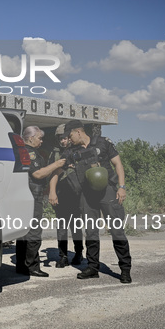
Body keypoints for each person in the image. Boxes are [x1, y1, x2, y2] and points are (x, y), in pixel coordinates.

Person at [51, 120, 132, 284]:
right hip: (86, 195)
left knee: (116, 231)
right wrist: (52, 191)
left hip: (107, 191)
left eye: (70, 135)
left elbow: (118, 164)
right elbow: (56, 171)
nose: (69, 139)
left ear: (78, 132)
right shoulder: (71, 152)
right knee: (91, 232)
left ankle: (125, 269)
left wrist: (121, 187)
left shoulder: (103, 143)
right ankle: (93, 267)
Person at [16, 126, 66, 277]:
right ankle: (32, 266)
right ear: (30, 138)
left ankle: (22, 265)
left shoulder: (24, 150)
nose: (42, 141)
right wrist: (56, 165)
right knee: (34, 232)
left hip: (25, 195)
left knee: (23, 232)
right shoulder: (29, 152)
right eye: (39, 138)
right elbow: (37, 174)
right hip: (33, 195)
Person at [47, 124, 84, 268]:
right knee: (62, 226)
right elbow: (50, 174)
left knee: (76, 226)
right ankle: (63, 256)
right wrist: (52, 192)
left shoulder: (79, 151)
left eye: (65, 138)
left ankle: (79, 253)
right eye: (60, 139)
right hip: (61, 194)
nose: (63, 141)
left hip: (76, 194)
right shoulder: (55, 154)